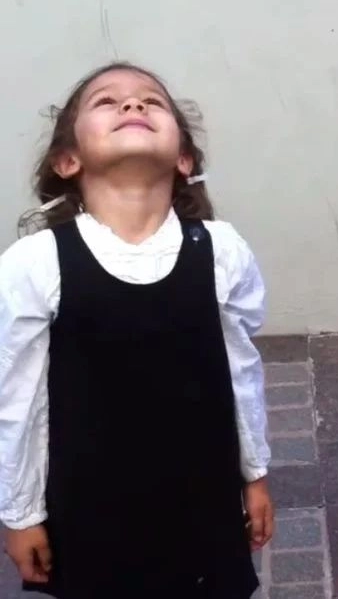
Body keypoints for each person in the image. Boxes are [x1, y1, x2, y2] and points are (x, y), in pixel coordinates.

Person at [0, 62, 273, 599]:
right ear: (68, 160)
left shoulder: (222, 250)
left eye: (152, 101)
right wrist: (20, 513)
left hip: (204, 503)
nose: (133, 105)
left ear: (184, 159)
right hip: (90, 512)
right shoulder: (35, 263)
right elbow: (18, 398)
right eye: (107, 101)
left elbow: (241, 371)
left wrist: (256, 475)